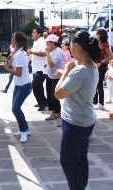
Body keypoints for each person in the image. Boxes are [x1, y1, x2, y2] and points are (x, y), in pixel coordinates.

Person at [55, 31, 100, 190]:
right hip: (86, 121)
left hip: (75, 123)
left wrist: (66, 70)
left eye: (71, 45)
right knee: (80, 157)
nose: (69, 48)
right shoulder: (92, 66)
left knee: (68, 161)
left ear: (78, 46)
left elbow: (58, 93)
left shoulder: (79, 71)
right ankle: (82, 185)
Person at [3, 32, 32, 143]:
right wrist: (7, 61)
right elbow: (12, 63)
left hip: (24, 85)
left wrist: (6, 68)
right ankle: (26, 129)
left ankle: (23, 131)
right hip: (19, 85)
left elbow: (18, 73)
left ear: (17, 41)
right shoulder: (17, 52)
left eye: (13, 38)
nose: (11, 40)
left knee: (15, 109)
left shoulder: (20, 54)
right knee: (16, 108)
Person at [44, 34, 65, 124]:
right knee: (49, 95)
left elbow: (52, 63)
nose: (46, 45)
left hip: (57, 77)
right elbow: (49, 62)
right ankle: (53, 112)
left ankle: (58, 113)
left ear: (53, 43)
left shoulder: (58, 51)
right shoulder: (52, 50)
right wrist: (46, 64)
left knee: (54, 96)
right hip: (50, 76)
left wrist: (47, 53)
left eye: (48, 43)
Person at [27, 27, 48, 111]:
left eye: (34, 33)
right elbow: (32, 54)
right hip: (36, 68)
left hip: (42, 69)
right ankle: (43, 102)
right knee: (39, 86)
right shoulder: (36, 42)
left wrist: (32, 52)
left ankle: (41, 104)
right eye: (32, 32)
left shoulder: (42, 41)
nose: (32, 34)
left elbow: (44, 53)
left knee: (35, 85)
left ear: (39, 34)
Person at [93, 28, 113, 110]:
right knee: (95, 84)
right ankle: (95, 102)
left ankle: (101, 103)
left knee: (99, 84)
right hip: (95, 65)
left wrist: (101, 63)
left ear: (101, 35)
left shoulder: (105, 44)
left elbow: (111, 56)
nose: (96, 35)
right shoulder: (96, 42)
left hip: (101, 66)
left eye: (98, 34)